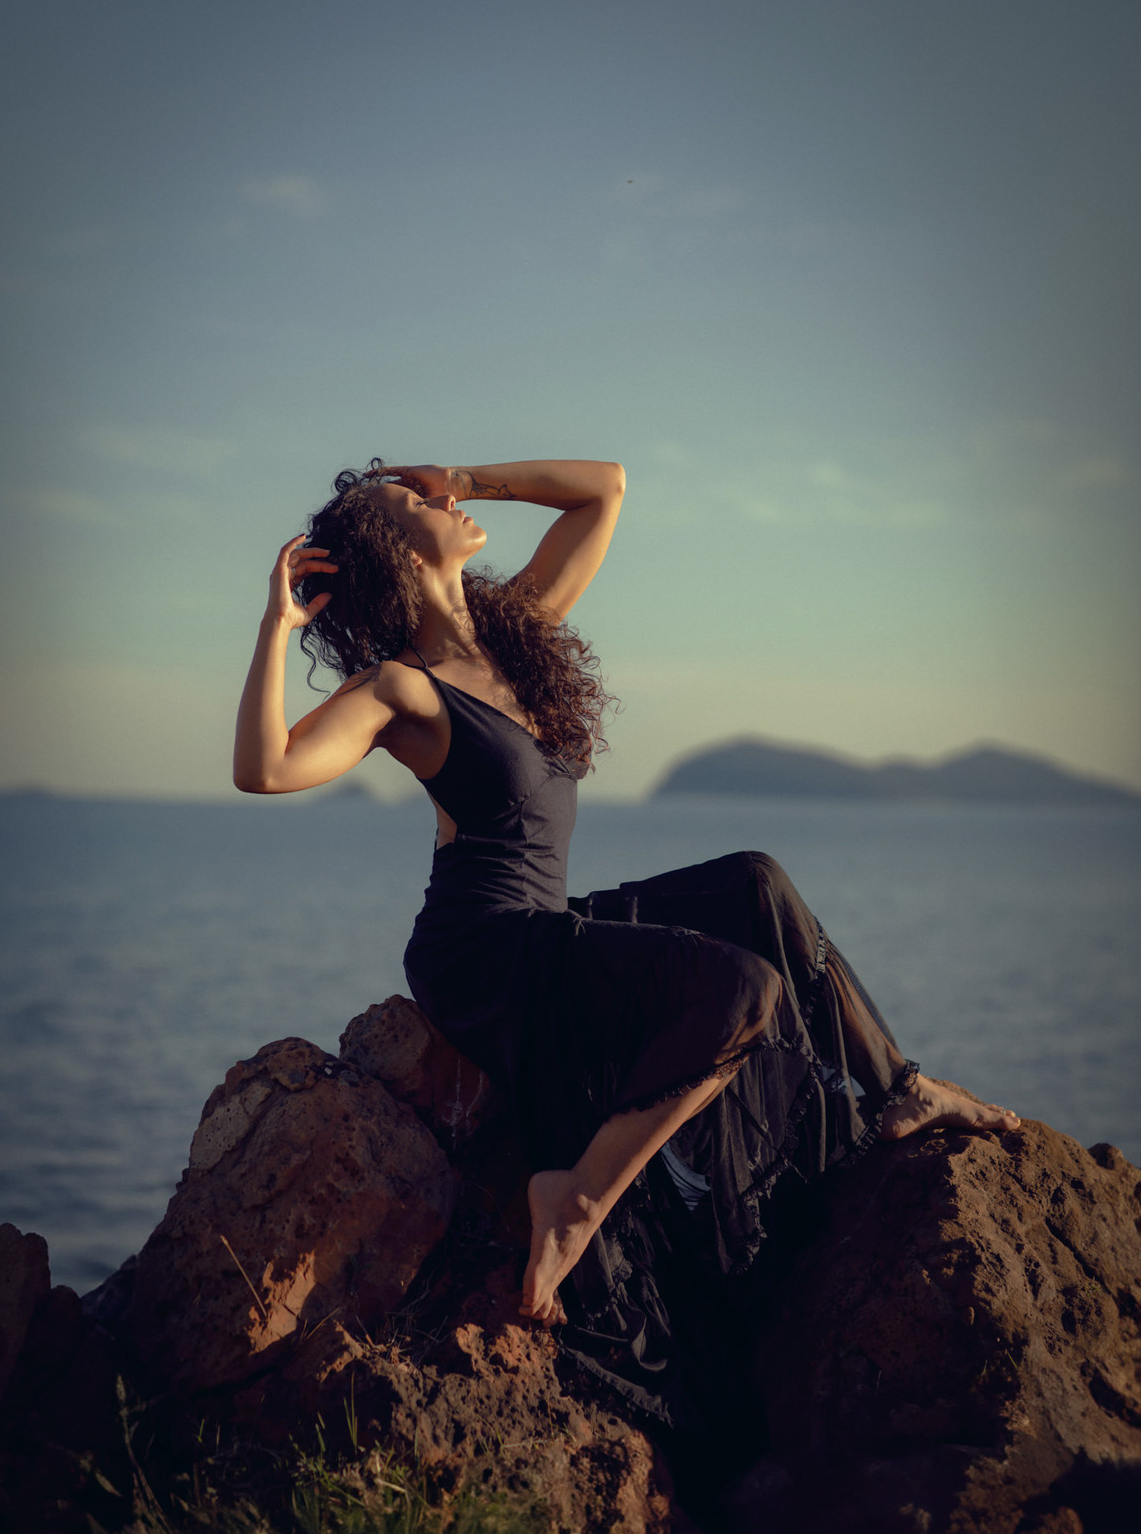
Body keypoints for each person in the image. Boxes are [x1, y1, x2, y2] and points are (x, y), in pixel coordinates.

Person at [234, 458, 1019, 1426]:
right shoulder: (405, 686)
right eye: (418, 503)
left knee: (755, 883)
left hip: (548, 926)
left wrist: (465, 474)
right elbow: (265, 768)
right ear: (392, 552)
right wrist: (277, 624)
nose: (446, 501)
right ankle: (572, 1198)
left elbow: (602, 487)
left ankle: (898, 1088)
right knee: (741, 991)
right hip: (486, 955)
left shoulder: (514, 635)